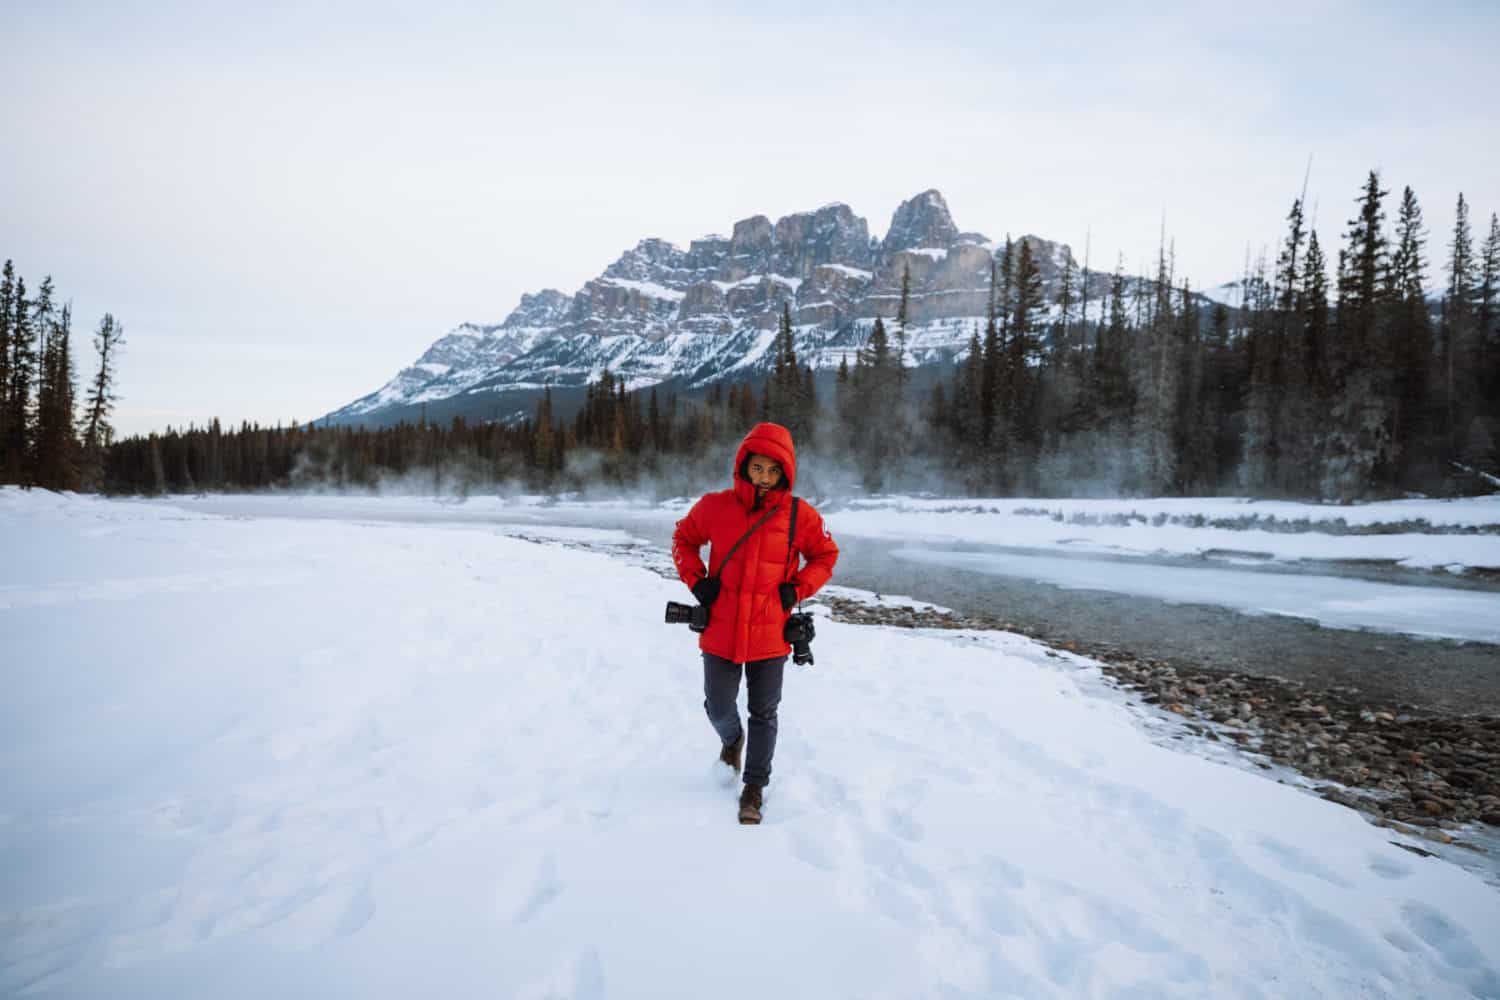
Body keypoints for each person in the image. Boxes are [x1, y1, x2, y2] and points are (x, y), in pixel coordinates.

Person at [671, 421, 839, 824]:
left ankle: (754, 787)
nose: (764, 478)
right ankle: (732, 740)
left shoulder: (800, 516)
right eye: (757, 468)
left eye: (773, 470)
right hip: (721, 630)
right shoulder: (715, 507)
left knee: (764, 712)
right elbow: (683, 540)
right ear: (743, 466)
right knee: (718, 705)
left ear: (785, 473)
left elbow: (825, 556)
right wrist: (697, 581)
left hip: (770, 633)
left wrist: (796, 590)